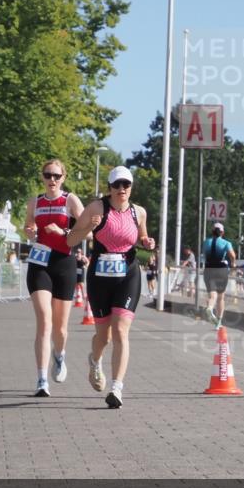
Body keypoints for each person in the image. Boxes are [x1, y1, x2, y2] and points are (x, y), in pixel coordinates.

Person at [67, 165, 154, 409]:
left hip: (128, 273)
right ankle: (95, 361)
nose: (121, 189)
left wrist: (147, 242)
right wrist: (87, 228)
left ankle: (117, 388)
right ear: (109, 188)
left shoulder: (139, 212)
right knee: (103, 336)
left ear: (131, 187)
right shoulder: (96, 208)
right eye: (116, 185)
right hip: (100, 276)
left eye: (126, 185)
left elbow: (142, 238)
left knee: (121, 331)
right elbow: (70, 239)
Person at [24, 159, 85, 397]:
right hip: (40, 263)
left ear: (63, 178)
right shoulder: (35, 202)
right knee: (44, 322)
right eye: (48, 175)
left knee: (60, 328)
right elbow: (29, 226)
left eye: (56, 176)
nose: (52, 180)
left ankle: (59, 356)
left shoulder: (70, 200)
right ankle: (41, 380)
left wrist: (64, 232)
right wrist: (29, 231)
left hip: (64, 263)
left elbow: (84, 230)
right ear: (42, 177)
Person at [201, 222, 236, 324]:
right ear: (222, 232)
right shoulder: (226, 243)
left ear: (212, 231)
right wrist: (233, 264)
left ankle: (210, 307)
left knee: (212, 295)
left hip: (208, 269)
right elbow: (232, 256)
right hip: (221, 270)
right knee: (221, 297)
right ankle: (219, 321)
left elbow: (205, 255)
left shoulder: (206, 242)